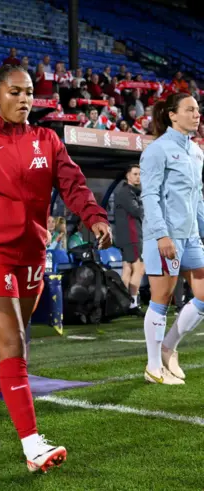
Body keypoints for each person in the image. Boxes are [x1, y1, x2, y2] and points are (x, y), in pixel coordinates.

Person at [0, 65, 111, 472]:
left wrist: (93, 216)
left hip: (33, 255)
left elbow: (73, 183)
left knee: (7, 346)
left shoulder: (48, 139)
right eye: (15, 92)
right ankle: (32, 444)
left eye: (29, 93)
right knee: (14, 342)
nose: (24, 100)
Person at [140, 93, 204, 385]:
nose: (197, 114)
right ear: (172, 115)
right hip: (165, 237)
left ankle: (168, 348)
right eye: (190, 110)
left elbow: (197, 197)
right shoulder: (157, 150)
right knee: (162, 298)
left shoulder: (196, 151)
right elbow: (150, 196)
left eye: (198, 109)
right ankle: (154, 367)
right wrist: (162, 234)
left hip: (191, 236)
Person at [114, 163, 145, 316]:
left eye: (139, 174)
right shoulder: (126, 192)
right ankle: (132, 303)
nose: (138, 177)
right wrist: (147, 202)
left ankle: (122, 303)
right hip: (131, 236)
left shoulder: (130, 192)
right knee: (139, 268)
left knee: (128, 269)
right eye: (135, 174)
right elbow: (137, 211)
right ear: (128, 175)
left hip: (128, 235)